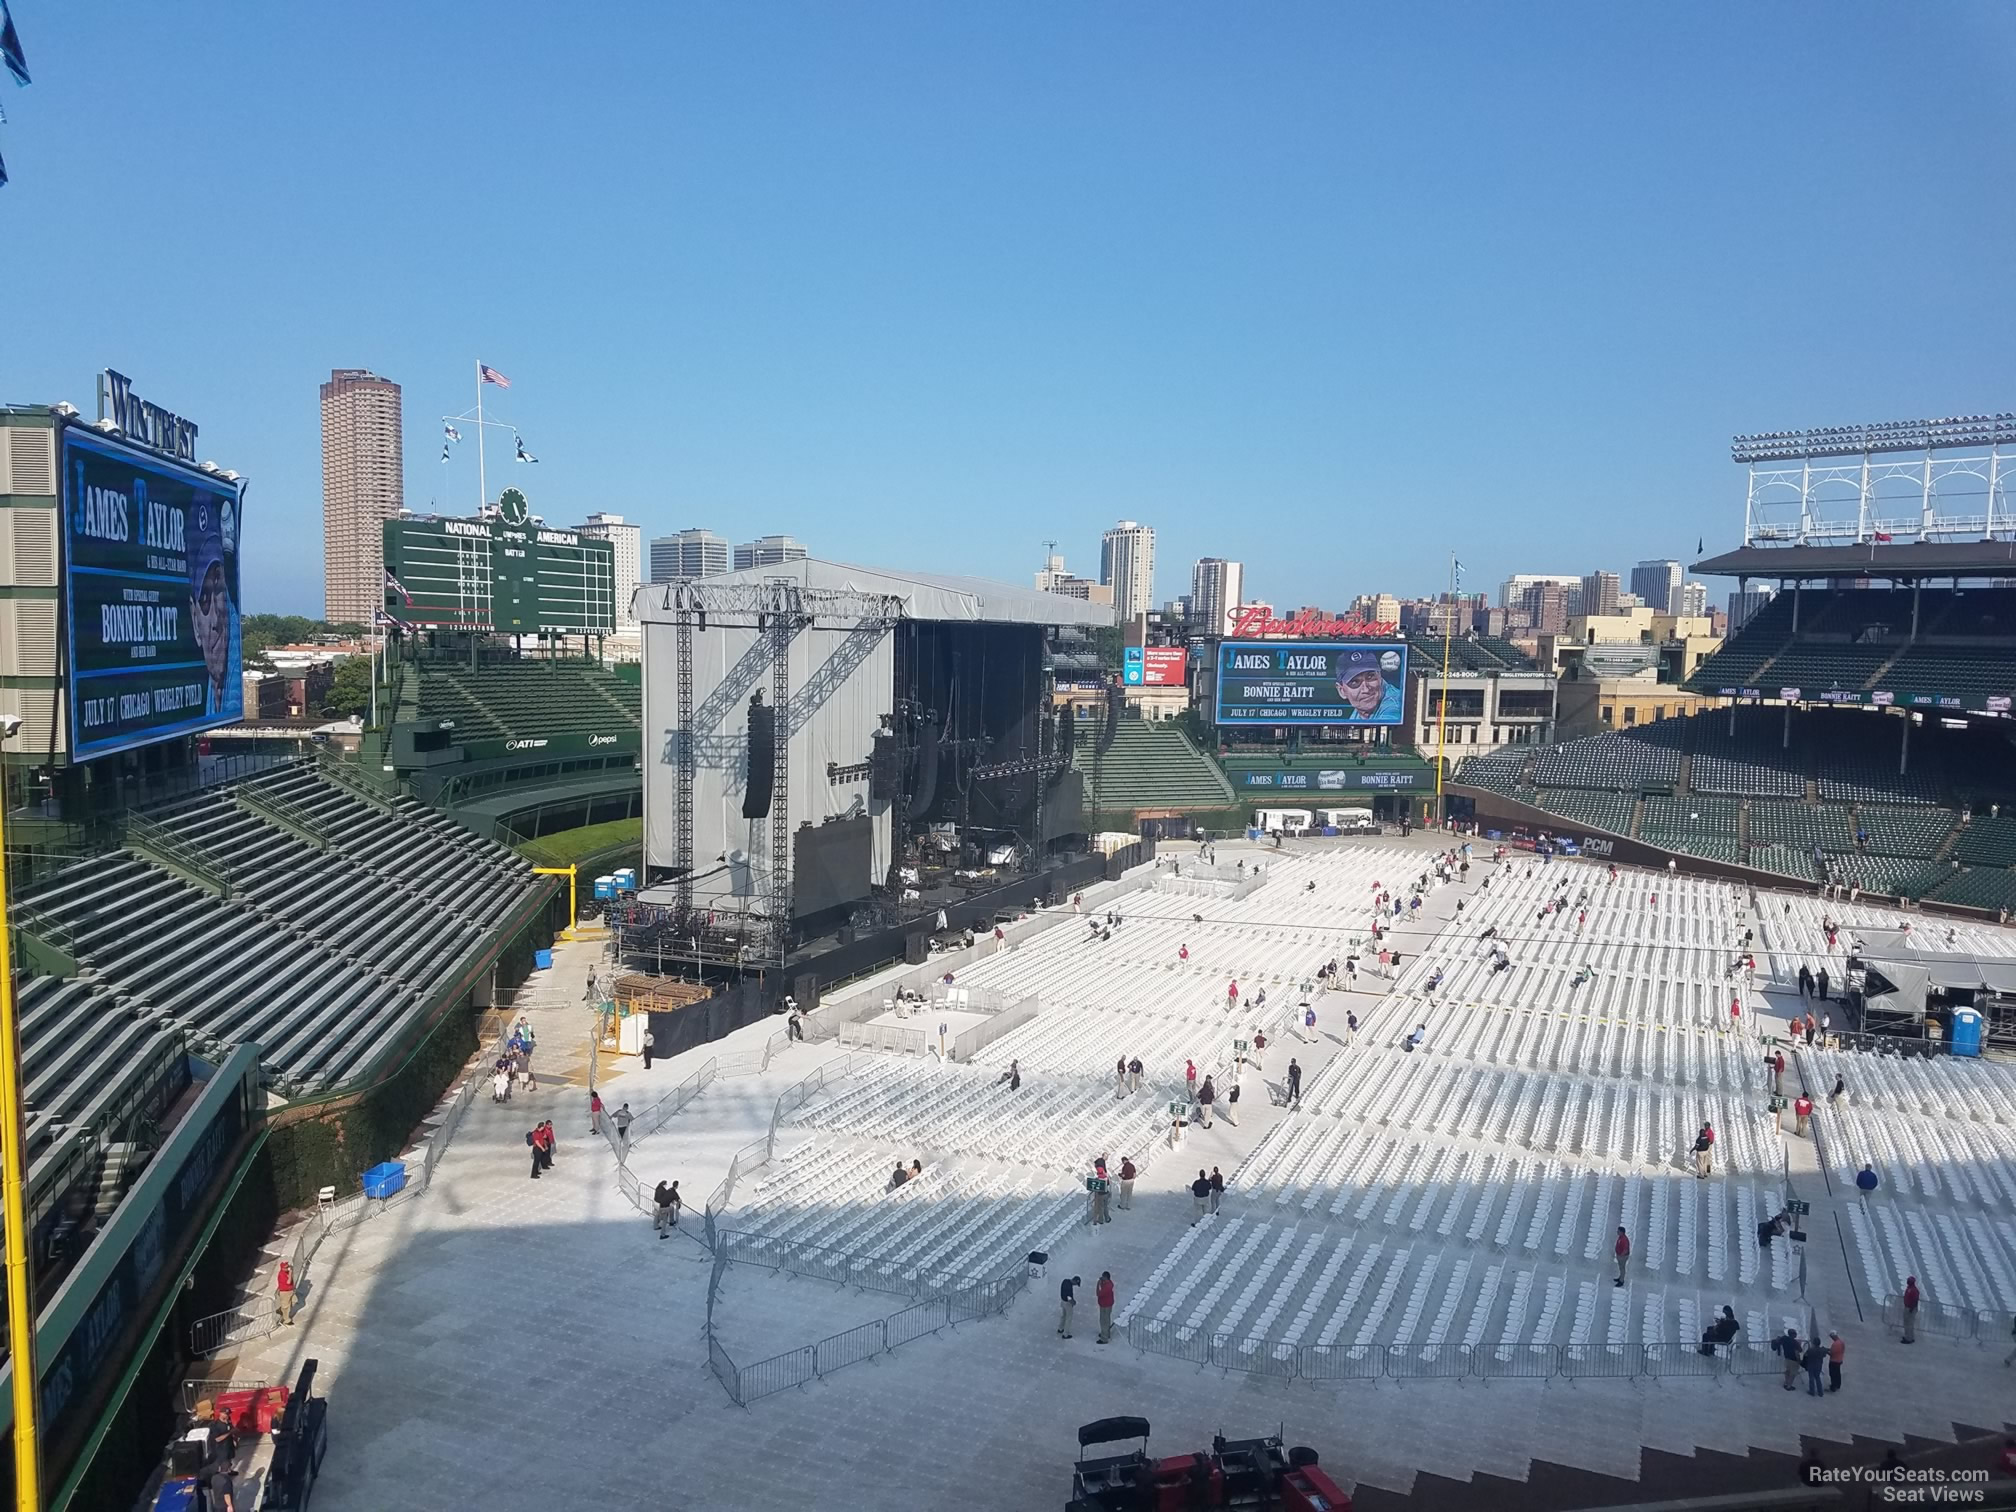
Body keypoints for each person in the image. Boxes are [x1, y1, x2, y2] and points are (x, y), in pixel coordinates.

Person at [1096, 1271, 1116, 1345]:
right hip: (1107, 1304)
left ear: (1106, 1277)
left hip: (1105, 1305)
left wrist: (1098, 1284)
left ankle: (1104, 1338)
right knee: (1107, 1319)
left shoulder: (1107, 1286)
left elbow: (1098, 1293)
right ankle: (1106, 1333)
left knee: (1103, 1321)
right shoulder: (1109, 1284)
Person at [275, 1258, 296, 1326]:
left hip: (290, 1291)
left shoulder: (286, 1272)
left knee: (294, 1301)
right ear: (282, 1268)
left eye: (288, 1267)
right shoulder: (281, 1274)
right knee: (286, 1306)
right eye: (286, 1267)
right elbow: (288, 1282)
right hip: (285, 1292)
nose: (288, 1268)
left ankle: (281, 1309)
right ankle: (286, 1320)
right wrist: (290, 1273)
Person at [1901, 1275, 1919, 1343]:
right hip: (1907, 1307)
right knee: (1907, 1323)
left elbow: (1915, 1300)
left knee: (1909, 1324)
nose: (1907, 1282)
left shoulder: (1914, 1290)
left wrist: (1911, 1309)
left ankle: (1908, 1338)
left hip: (1910, 1309)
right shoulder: (1909, 1288)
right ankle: (1908, 1336)